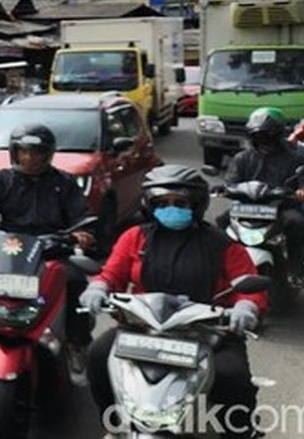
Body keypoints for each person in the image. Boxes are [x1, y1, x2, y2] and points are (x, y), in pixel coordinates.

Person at [81, 165, 266, 439]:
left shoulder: (220, 243)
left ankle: (242, 432)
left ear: (196, 204)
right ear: (150, 206)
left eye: (180, 203)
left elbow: (248, 283)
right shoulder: (135, 238)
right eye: (163, 203)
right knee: (97, 355)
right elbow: (111, 273)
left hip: (207, 332)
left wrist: (245, 307)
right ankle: (115, 423)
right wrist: (98, 287)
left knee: (232, 375)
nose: (171, 209)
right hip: (143, 330)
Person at [0, 123, 96, 364]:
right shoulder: (2, 180)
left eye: (35, 152)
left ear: (47, 154)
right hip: (11, 250)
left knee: (76, 281)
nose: (28, 157)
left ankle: (78, 342)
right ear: (14, 152)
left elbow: (81, 215)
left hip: (53, 249)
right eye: (23, 151)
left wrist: (81, 232)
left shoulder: (64, 182)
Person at [221, 106, 304, 270]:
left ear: (278, 135)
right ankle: (222, 266)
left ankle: (296, 266)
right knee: (222, 220)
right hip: (247, 207)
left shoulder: (294, 157)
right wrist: (226, 189)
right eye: (258, 136)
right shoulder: (242, 158)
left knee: (296, 222)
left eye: (267, 135)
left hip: (281, 207)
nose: (263, 140)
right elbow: (231, 181)